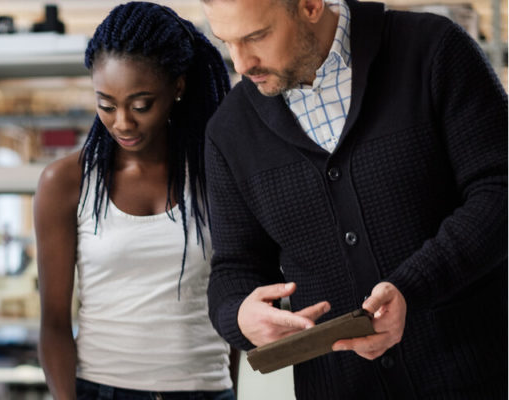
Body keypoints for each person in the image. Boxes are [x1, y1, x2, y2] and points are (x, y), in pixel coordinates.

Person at [200, 0, 507, 397]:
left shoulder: (431, 50)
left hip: (470, 379)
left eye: (256, 36)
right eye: (227, 42)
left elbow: (499, 189)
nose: (241, 64)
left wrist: (413, 287)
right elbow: (233, 266)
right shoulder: (228, 131)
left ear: (310, 5)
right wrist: (240, 316)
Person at [34, 3, 237, 399]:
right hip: (102, 389)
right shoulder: (66, 183)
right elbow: (54, 324)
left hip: (207, 389)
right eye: (106, 105)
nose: (123, 122)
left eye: (141, 105)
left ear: (177, 88)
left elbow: (233, 300)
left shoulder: (215, 176)